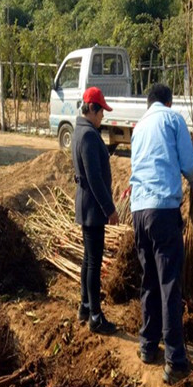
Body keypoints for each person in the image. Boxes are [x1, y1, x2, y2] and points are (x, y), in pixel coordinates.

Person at [129, 83, 193, 384]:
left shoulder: (139, 127)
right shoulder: (173, 120)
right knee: (170, 284)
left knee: (149, 281)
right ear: (169, 103)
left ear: (149, 103)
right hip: (162, 210)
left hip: (139, 212)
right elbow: (188, 165)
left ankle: (147, 347)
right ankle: (175, 360)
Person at [71, 87, 120, 334]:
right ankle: (96, 317)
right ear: (92, 109)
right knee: (94, 262)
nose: (103, 117)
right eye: (101, 112)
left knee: (88, 259)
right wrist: (110, 209)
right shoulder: (89, 135)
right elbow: (94, 178)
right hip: (92, 207)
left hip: (85, 204)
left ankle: (85, 306)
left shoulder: (80, 130)